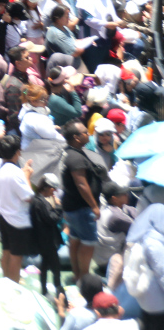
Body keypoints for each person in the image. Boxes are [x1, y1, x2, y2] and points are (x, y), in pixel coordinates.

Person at [60, 119, 104, 280]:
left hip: (73, 207)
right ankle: (84, 277)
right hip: (82, 208)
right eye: (85, 132)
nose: (88, 134)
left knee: (76, 240)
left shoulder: (73, 153)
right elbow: (81, 184)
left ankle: (78, 275)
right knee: (88, 243)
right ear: (76, 137)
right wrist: (94, 206)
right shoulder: (76, 158)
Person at [0, 135, 35, 282]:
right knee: (16, 256)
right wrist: (27, 176)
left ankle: (6, 280)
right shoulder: (17, 173)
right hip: (16, 218)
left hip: (2, 215)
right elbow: (28, 197)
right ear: (17, 152)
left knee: (6, 252)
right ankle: (13, 285)